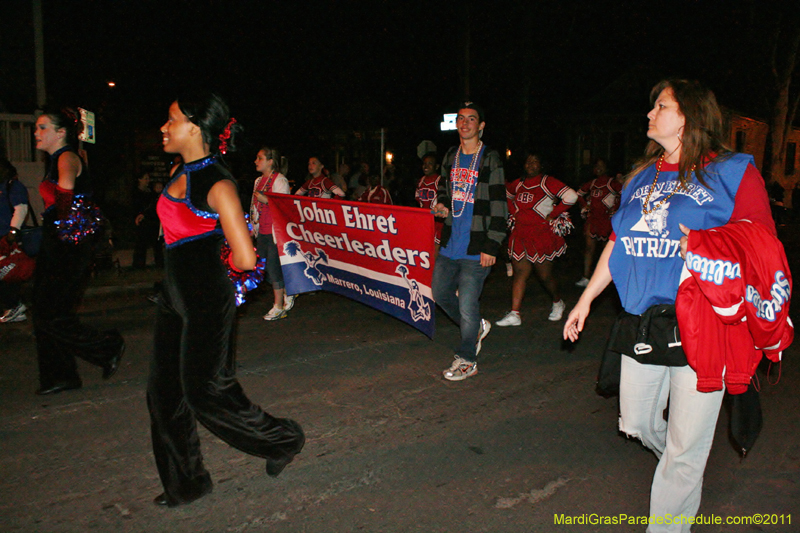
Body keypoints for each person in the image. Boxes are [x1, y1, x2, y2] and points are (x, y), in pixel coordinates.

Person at [563, 79, 776, 531]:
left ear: (688, 116)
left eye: (660, 105)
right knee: (636, 422)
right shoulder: (641, 176)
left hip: (706, 324)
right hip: (645, 322)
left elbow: (763, 245)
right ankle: (681, 465)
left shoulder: (733, 171)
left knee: (684, 451)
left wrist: (706, 246)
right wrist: (585, 299)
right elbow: (619, 242)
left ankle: (678, 485)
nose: (649, 114)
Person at [149, 92, 305, 508]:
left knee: (206, 393)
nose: (164, 127)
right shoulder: (181, 169)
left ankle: (284, 440)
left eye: (171, 120)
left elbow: (246, 257)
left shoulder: (217, 182)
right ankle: (186, 482)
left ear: (196, 127)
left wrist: (212, 278)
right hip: (172, 296)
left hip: (203, 299)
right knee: (163, 393)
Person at [32, 108, 125, 395]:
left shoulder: (67, 157)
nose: (36, 133)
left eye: (42, 127)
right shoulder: (58, 159)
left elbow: (66, 192)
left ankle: (106, 346)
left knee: (50, 312)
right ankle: (61, 376)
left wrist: (59, 218)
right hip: (60, 240)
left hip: (67, 244)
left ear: (61, 133)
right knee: (46, 311)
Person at [431, 101, 508, 381]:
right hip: (451, 241)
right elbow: (443, 188)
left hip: (478, 246)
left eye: (471, 119)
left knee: (467, 304)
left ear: (481, 125)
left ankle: (467, 359)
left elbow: (500, 204)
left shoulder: (490, 158)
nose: (465, 123)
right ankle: (474, 327)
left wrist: (492, 245)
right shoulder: (451, 155)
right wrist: (441, 205)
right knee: (439, 293)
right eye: (461, 119)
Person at [496, 153, 576, 327]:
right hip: (520, 233)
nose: (531, 164)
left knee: (544, 275)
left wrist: (553, 214)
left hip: (541, 235)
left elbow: (571, 196)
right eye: (528, 161)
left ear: (541, 166)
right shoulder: (518, 183)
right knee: (520, 272)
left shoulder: (548, 182)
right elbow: (506, 195)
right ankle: (515, 313)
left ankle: (557, 302)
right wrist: (515, 212)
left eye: (535, 161)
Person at [249, 146, 295, 320]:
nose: (256, 161)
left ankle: (278, 306)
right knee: (263, 266)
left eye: (260, 158)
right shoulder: (258, 181)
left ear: (270, 161)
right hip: (262, 230)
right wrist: (252, 227)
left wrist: (266, 199)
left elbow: (284, 206)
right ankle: (288, 289)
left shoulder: (280, 180)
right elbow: (254, 207)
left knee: (273, 267)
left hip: (276, 232)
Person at [574, 159, 622, 287]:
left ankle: (607, 278)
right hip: (593, 219)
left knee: (606, 251)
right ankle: (586, 277)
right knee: (589, 248)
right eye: (596, 166)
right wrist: (585, 206)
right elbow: (578, 194)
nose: (599, 168)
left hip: (607, 221)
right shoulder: (592, 183)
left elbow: (624, 195)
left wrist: (615, 209)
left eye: (602, 166)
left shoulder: (612, 183)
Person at [0, 159, 30, 323]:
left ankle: (13, 306)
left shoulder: (13, 186)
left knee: (7, 274)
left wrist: (12, 233)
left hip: (5, 238)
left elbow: (20, 209)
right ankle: (12, 306)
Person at [132, 173, 164, 269]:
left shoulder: (150, 192)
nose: (147, 181)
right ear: (139, 180)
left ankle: (159, 263)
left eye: (148, 178)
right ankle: (139, 264)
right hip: (142, 220)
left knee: (156, 243)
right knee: (141, 243)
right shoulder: (136, 193)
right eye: (145, 178)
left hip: (151, 219)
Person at [415, 153, 444, 253]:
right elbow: (418, 199)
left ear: (436, 166)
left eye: (430, 163)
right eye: (424, 163)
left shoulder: (440, 181)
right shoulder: (421, 181)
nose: (426, 166)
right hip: (424, 221)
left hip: (437, 222)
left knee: (435, 248)